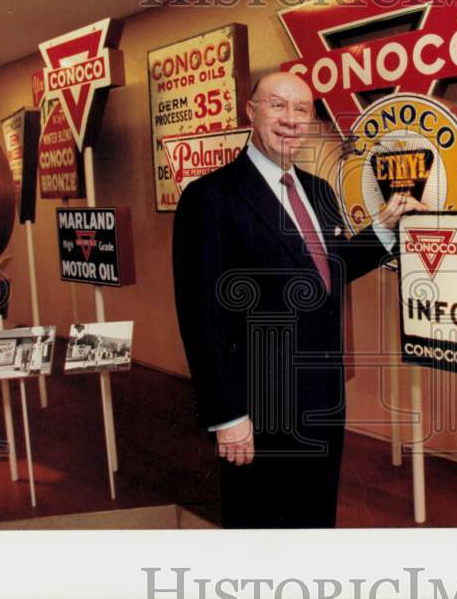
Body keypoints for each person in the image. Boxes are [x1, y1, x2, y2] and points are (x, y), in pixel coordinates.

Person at [172, 71, 424, 528]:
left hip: (322, 401)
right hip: (258, 411)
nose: (290, 119)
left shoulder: (319, 191)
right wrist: (227, 414)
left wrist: (384, 225)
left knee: (315, 519)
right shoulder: (210, 197)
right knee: (260, 530)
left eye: (301, 109)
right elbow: (201, 317)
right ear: (251, 111)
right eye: (277, 105)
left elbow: (326, 271)